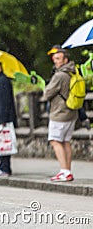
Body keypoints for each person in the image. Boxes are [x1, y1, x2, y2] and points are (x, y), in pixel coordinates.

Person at [43, 46, 78, 182]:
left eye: (58, 58)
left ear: (65, 59)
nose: (55, 61)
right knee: (65, 141)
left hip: (59, 113)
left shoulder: (59, 75)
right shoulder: (73, 72)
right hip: (71, 112)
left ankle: (64, 171)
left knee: (55, 140)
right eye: (54, 59)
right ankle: (67, 170)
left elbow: (47, 93)